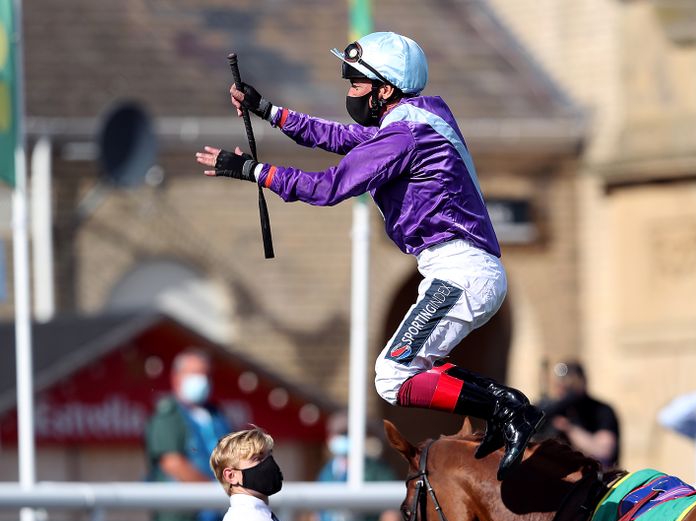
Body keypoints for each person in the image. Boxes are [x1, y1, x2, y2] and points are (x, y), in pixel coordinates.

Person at [195, 31, 543, 480]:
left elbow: (328, 187)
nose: (350, 92)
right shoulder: (415, 118)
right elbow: (342, 137)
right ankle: (505, 409)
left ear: (385, 88)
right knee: (408, 370)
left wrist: (251, 170)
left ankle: (508, 408)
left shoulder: (405, 136)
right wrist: (269, 111)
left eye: (356, 83)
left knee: (392, 377)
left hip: (461, 272)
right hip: (458, 270)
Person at [144, 348, 232, 521]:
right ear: (176, 378)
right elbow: (172, 463)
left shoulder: (217, 415)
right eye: (194, 374)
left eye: (205, 374)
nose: (201, 380)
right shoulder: (168, 416)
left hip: (217, 519)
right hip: (180, 520)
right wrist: (216, 491)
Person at [314, 413, 401, 521]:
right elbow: (318, 514)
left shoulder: (378, 471)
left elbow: (391, 515)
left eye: (347, 433)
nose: (343, 438)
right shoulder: (326, 472)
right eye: (339, 433)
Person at [538, 361, 620, 469]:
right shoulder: (552, 411)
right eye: (560, 385)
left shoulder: (601, 410)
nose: (564, 390)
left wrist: (569, 428)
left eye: (570, 386)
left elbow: (604, 452)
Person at [210, 426, 285, 521]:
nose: (269, 463)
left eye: (269, 456)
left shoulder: (253, 515)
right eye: (257, 458)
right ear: (231, 476)